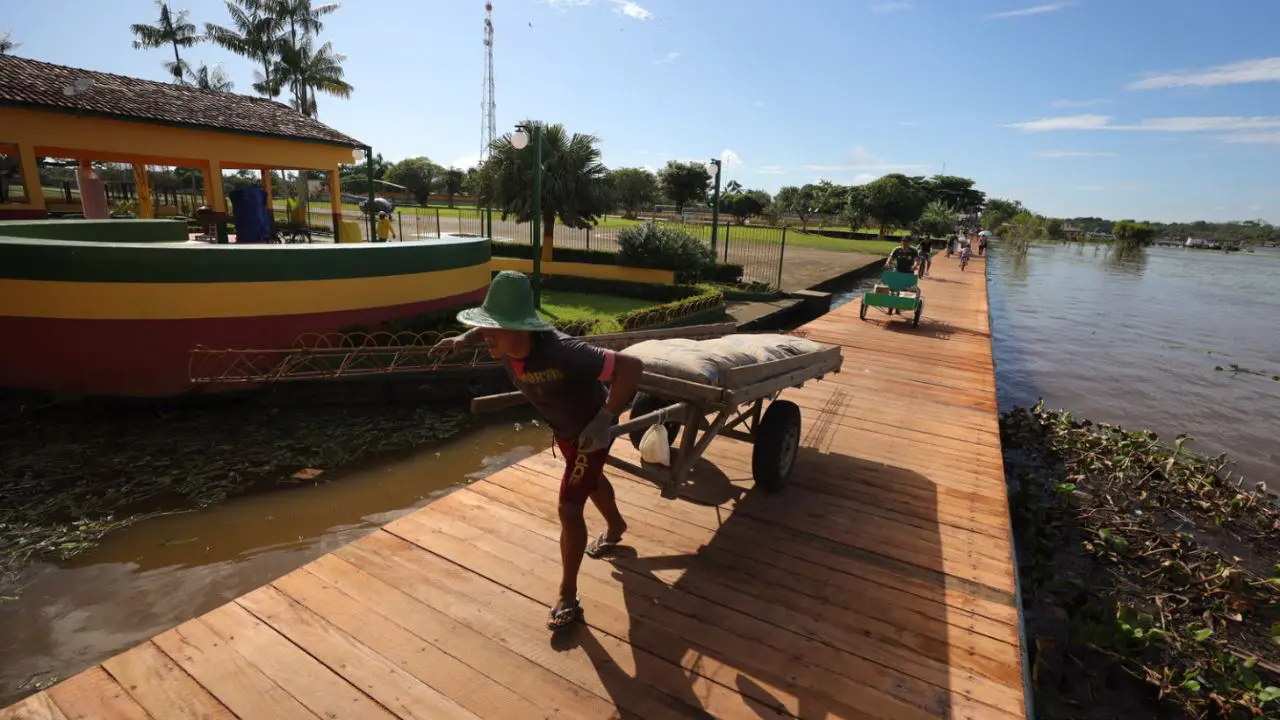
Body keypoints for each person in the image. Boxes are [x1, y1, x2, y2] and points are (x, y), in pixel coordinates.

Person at [433, 271, 643, 632]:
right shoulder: (503, 343)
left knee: (569, 505)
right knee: (590, 483)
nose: (486, 338)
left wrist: (605, 419)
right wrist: (461, 339)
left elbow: (631, 367)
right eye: (484, 329)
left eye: (492, 329)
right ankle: (616, 525)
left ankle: (567, 594)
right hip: (563, 431)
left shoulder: (564, 352)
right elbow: (481, 333)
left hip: (588, 435)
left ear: (522, 328)